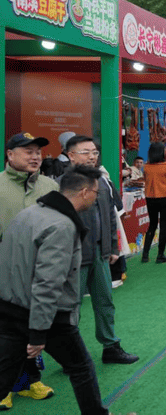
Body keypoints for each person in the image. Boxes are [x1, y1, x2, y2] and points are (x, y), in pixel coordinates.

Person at [0, 165, 111, 414]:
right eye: (96, 193)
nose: (96, 199)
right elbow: (48, 283)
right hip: (45, 316)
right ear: (84, 192)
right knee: (81, 367)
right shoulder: (61, 226)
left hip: (10, 307)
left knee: (4, 373)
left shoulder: (29, 213)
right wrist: (38, 332)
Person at [63, 136, 139, 365]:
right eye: (85, 152)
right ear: (71, 156)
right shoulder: (63, 184)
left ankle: (111, 346)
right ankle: (70, 354)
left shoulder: (102, 182)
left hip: (100, 253)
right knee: (71, 306)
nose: (92, 156)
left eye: (94, 152)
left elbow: (110, 217)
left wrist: (113, 247)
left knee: (105, 301)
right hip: (73, 256)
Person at [0, 133, 60, 407]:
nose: (35, 156)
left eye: (38, 151)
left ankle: (29, 381)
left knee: (33, 328)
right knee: (5, 332)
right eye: (28, 151)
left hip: (39, 272)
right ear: (10, 155)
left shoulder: (49, 186)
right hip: (5, 274)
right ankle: (5, 387)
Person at [142, 142, 166, 264]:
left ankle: (145, 254)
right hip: (165, 197)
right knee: (164, 225)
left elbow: (145, 180)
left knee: (152, 224)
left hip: (150, 198)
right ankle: (160, 255)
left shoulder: (146, 167)